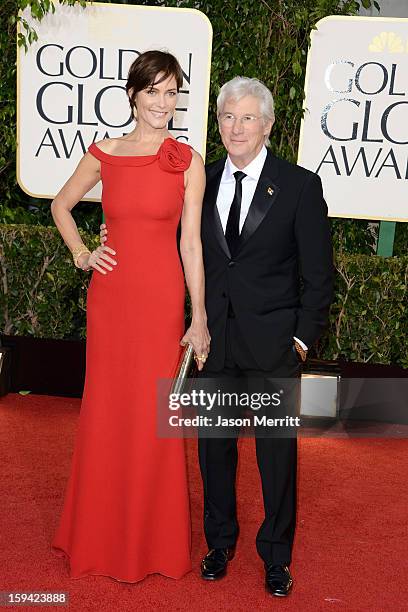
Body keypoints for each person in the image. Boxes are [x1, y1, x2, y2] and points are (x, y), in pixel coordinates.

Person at [101, 75, 333, 596]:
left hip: (274, 346)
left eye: (248, 117)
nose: (236, 127)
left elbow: (319, 275)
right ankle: (219, 543)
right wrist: (106, 233)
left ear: (269, 126)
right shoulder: (197, 177)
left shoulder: (299, 185)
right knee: (214, 451)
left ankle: (276, 556)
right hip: (215, 343)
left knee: (276, 457)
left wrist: (301, 340)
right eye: (228, 117)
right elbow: (167, 236)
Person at [50, 50, 210, 583]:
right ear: (134, 95)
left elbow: (191, 243)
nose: (164, 103)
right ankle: (96, 534)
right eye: (155, 92)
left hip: (161, 303)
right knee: (107, 408)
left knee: (153, 418)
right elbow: (61, 205)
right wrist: (81, 253)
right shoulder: (105, 152)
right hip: (111, 298)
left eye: (172, 93)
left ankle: (151, 542)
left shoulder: (187, 161)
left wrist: (199, 315)